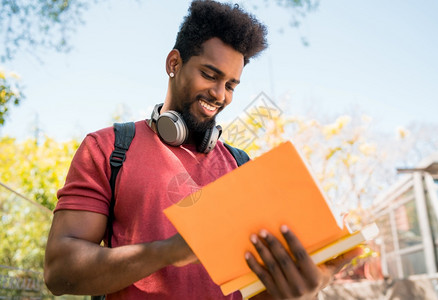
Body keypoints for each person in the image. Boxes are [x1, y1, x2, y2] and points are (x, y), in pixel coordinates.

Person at [44, 1, 362, 299]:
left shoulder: (242, 167)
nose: (219, 94)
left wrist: (302, 288)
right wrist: (170, 250)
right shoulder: (109, 148)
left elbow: (252, 288)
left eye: (231, 85)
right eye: (209, 75)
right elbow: (59, 272)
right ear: (174, 63)